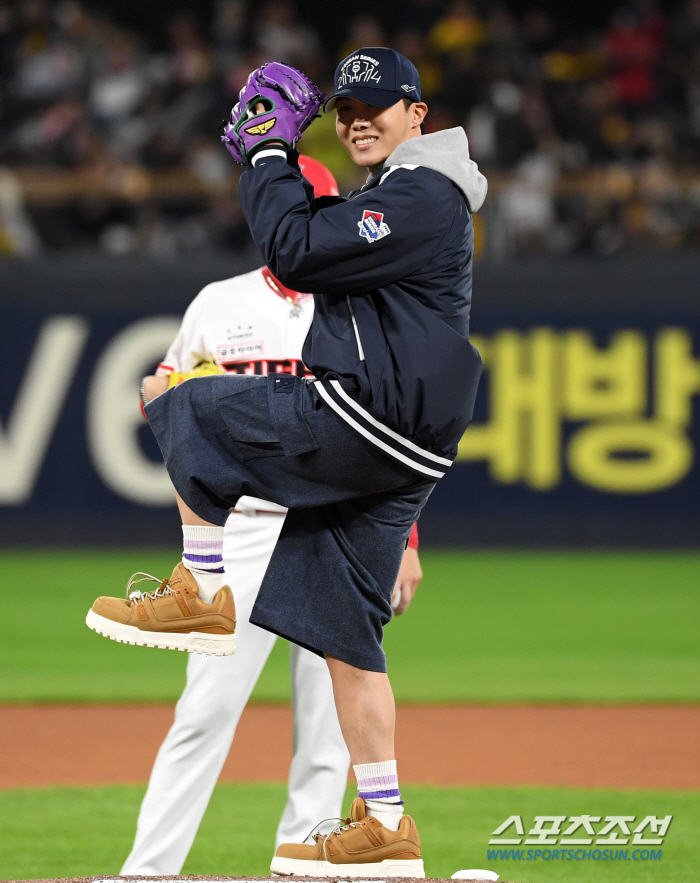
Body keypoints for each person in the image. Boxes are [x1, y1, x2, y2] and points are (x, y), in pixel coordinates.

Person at [88, 47, 486, 877]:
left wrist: (267, 153)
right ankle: (384, 819)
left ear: (419, 112)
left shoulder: (426, 190)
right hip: (395, 448)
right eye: (344, 111)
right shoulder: (401, 197)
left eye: (377, 104)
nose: (356, 119)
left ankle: (197, 589)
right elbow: (304, 249)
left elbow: (297, 250)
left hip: (374, 414)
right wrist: (275, 161)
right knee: (348, 642)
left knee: (183, 403)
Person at [119, 155, 421, 876]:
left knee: (326, 730)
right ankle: (148, 871)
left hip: (337, 528)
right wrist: (164, 398)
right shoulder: (219, 303)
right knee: (202, 714)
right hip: (244, 526)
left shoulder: (364, 308)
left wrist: (404, 541)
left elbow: (394, 437)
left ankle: (302, 866)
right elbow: (162, 399)